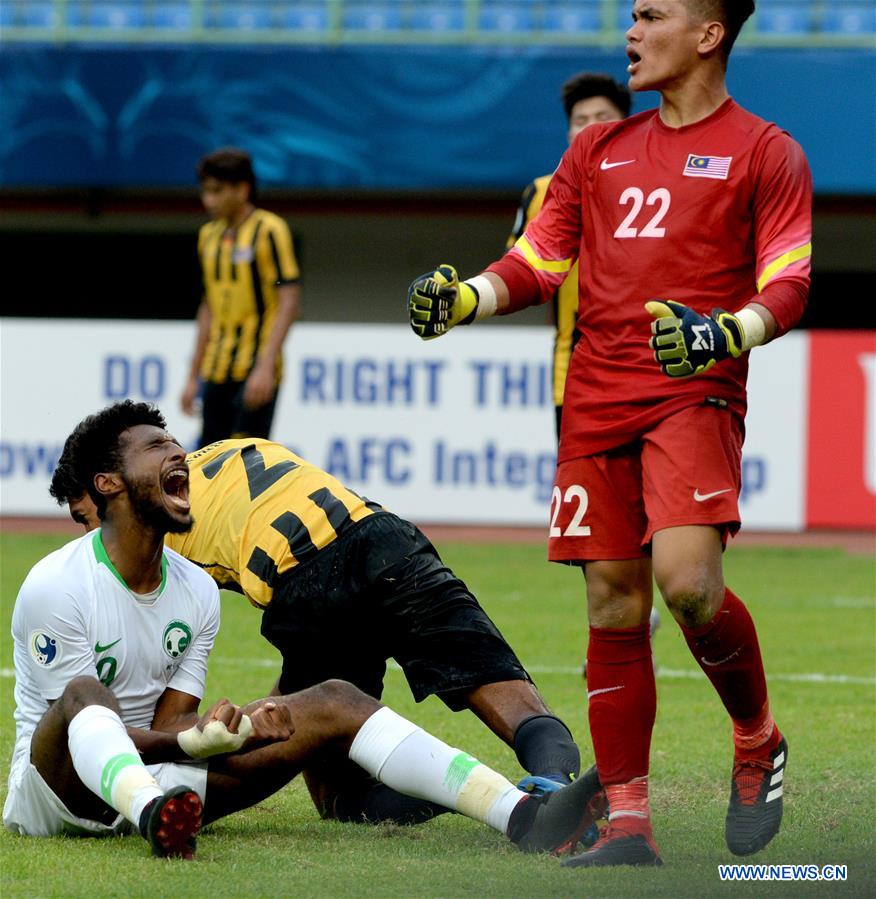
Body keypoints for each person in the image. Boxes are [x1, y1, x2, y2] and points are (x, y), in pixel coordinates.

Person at [407, 0, 811, 868]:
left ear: (708, 34)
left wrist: (723, 332)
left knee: (689, 586)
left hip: (691, 391)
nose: (630, 31)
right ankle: (630, 822)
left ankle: (756, 737)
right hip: (595, 396)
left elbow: (790, 274)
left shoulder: (767, 150)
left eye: (651, 14)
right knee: (612, 601)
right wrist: (465, 299)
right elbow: (542, 258)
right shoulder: (595, 150)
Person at [5, 401, 605, 859]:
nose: (177, 454)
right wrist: (198, 745)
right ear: (108, 483)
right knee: (88, 698)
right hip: (62, 793)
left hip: (182, 767)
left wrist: (231, 729)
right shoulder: (56, 584)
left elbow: (171, 726)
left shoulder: (195, 588)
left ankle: (527, 815)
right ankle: (152, 815)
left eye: (175, 443)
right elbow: (102, 731)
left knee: (336, 703)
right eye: (156, 446)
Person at [506, 72, 659, 673]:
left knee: (649, 505)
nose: (589, 128)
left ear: (623, 125)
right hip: (572, 377)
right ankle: (621, 611)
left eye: (601, 118)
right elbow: (526, 271)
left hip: (647, 376)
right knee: (596, 517)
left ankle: (639, 602)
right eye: (578, 120)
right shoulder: (543, 192)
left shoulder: (649, 186)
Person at [180, 147, 301, 447]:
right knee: (210, 461)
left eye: (217, 191)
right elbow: (208, 306)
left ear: (242, 189)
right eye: (206, 191)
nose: (208, 200)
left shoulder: (269, 230)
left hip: (254, 368)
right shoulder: (208, 236)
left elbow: (288, 298)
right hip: (217, 367)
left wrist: (266, 366)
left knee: (247, 463)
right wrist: (193, 375)